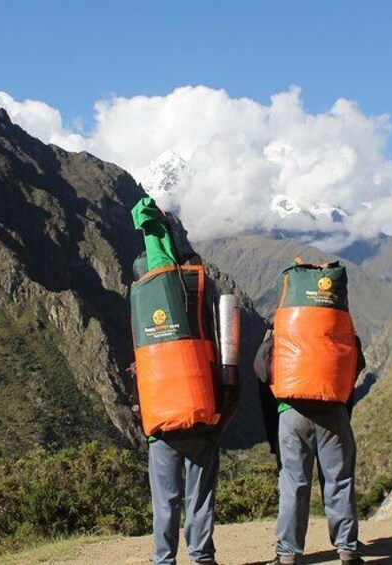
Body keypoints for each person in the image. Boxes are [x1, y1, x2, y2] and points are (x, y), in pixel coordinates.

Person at [129, 197, 240, 565]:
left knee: (165, 499)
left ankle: (164, 559)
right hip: (199, 417)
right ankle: (202, 557)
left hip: (161, 425)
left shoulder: (143, 307)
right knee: (200, 495)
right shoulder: (195, 295)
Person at [255, 259, 365, 565]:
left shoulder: (283, 325)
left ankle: (287, 554)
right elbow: (357, 363)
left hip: (292, 411)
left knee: (294, 482)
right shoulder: (339, 322)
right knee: (339, 479)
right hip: (333, 410)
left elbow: (261, 368)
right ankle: (347, 550)